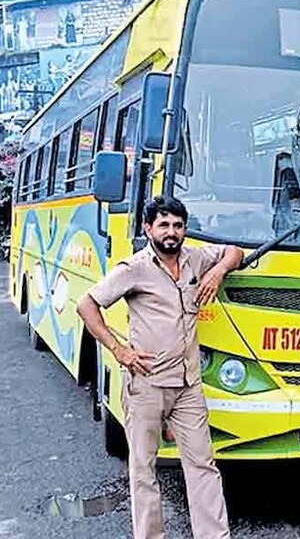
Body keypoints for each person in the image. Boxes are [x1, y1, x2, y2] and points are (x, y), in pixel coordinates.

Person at [77, 196, 243, 539]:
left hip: (188, 385)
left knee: (202, 465)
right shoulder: (134, 268)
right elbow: (86, 304)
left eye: (178, 225)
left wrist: (219, 270)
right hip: (146, 385)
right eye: (164, 225)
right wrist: (119, 349)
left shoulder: (196, 257)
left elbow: (235, 251)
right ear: (148, 228)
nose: (172, 232)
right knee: (143, 470)